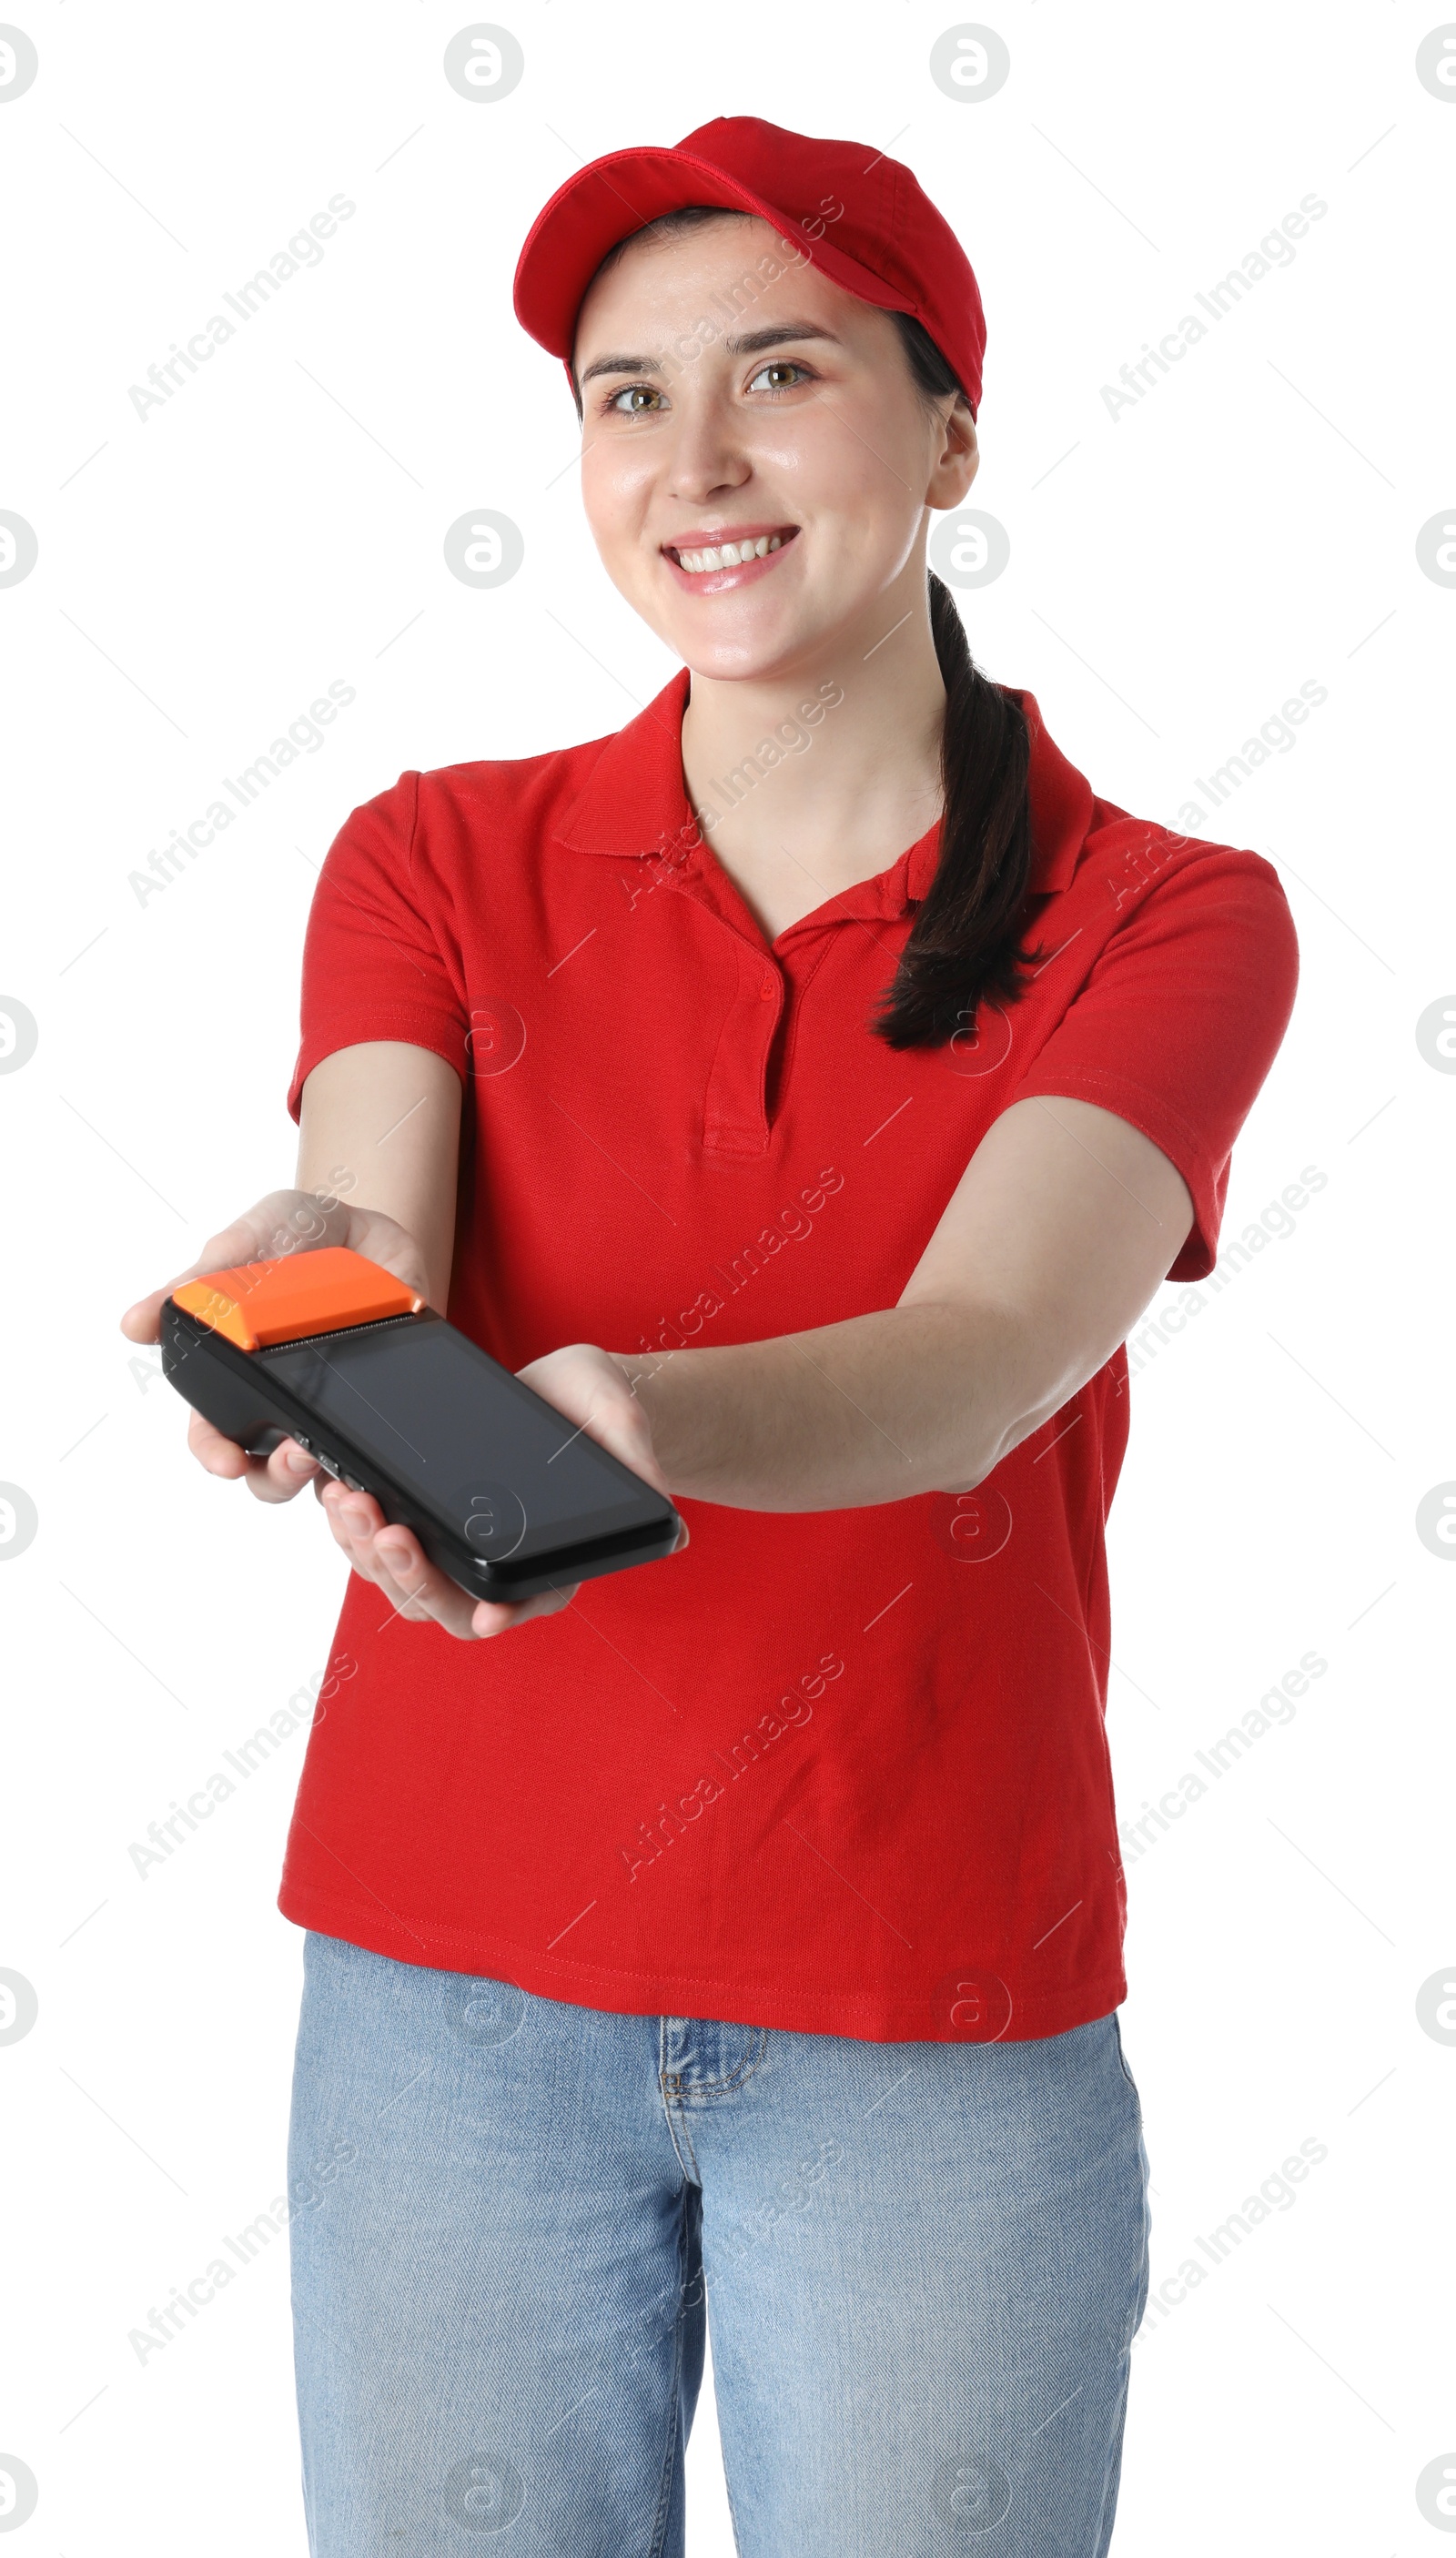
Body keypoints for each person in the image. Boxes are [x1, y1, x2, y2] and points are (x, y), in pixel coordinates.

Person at [122, 117, 1299, 2558]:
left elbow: (990, 1343)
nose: (698, 464)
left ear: (951, 427)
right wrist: (298, 1267)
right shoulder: (436, 854)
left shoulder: (1167, 917)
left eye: (781, 373)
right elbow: (372, 1207)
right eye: (625, 398)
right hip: (449, 2001)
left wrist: (642, 1413)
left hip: (930, 2022)